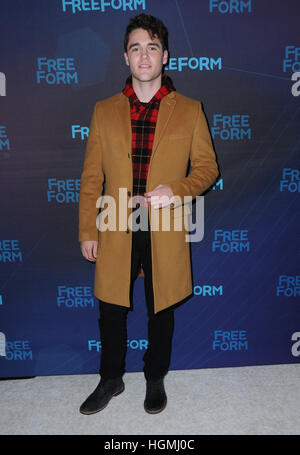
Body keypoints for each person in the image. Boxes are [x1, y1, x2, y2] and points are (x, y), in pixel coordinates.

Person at [78, 13, 219, 415]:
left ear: (165, 56)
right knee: (111, 308)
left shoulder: (190, 110)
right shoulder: (104, 111)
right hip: (114, 218)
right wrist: (88, 229)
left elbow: (208, 169)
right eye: (136, 47)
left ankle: (155, 377)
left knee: (161, 307)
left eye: (152, 47)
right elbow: (91, 178)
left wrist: (173, 190)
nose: (144, 55)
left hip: (165, 220)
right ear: (125, 57)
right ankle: (110, 379)